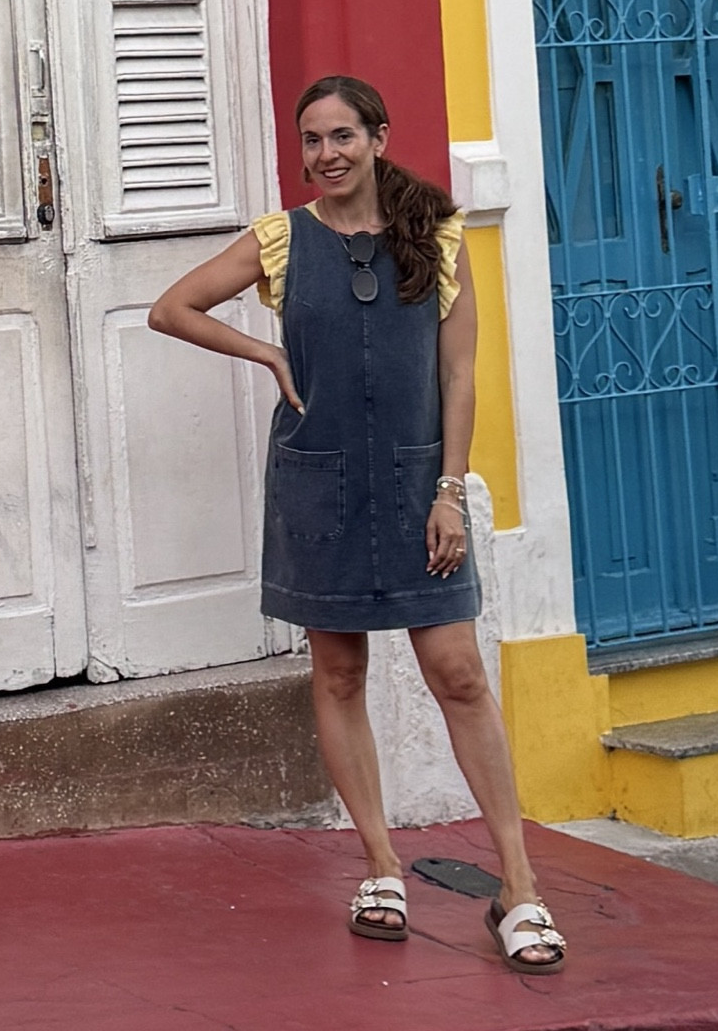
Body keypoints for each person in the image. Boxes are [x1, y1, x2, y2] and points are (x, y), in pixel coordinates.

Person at [149, 74, 566, 972]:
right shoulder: (279, 242)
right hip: (318, 485)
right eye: (310, 140)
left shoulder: (439, 238)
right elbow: (170, 307)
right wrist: (262, 349)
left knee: (456, 671)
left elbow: (458, 378)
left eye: (341, 136)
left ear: (378, 137)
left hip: (419, 486)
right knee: (338, 672)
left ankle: (519, 885)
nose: (325, 155)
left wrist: (449, 491)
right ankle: (380, 866)